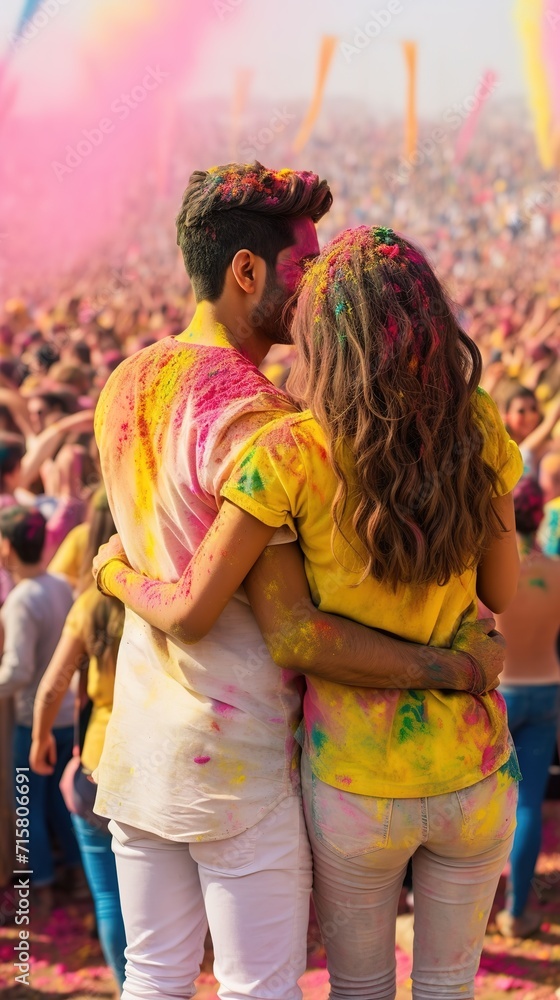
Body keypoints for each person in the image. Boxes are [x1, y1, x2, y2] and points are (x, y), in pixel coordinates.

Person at [92, 168, 504, 1000]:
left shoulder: (123, 383)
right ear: (247, 271)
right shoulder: (263, 419)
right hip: (242, 761)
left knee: (156, 978)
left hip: (143, 743)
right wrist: (454, 665)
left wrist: (109, 569)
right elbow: (291, 629)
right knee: (263, 989)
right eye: (302, 263)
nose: (317, 284)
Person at [30, 487, 127, 990]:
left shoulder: (92, 601)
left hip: (96, 765)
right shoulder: (168, 589)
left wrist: (39, 740)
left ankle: (128, 985)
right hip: (153, 769)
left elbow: (52, 686)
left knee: (110, 899)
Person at [0, 506, 80, 914]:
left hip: (34, 721)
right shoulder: (59, 586)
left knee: (27, 805)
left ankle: (40, 888)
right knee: (59, 803)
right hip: (66, 714)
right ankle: (76, 876)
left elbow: (17, 670)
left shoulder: (20, 599)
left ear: (7, 548)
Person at [493, 478, 560, 938]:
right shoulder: (555, 570)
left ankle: (464, 916)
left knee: (474, 808)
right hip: (546, 691)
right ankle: (517, 913)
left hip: (499, 694)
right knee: (529, 806)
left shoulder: (490, 569)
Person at [503, 386, 560, 477]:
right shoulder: (501, 449)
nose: (530, 416)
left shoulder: (550, 447)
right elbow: (521, 459)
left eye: (534, 409)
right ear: (506, 416)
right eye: (521, 411)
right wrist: (549, 423)